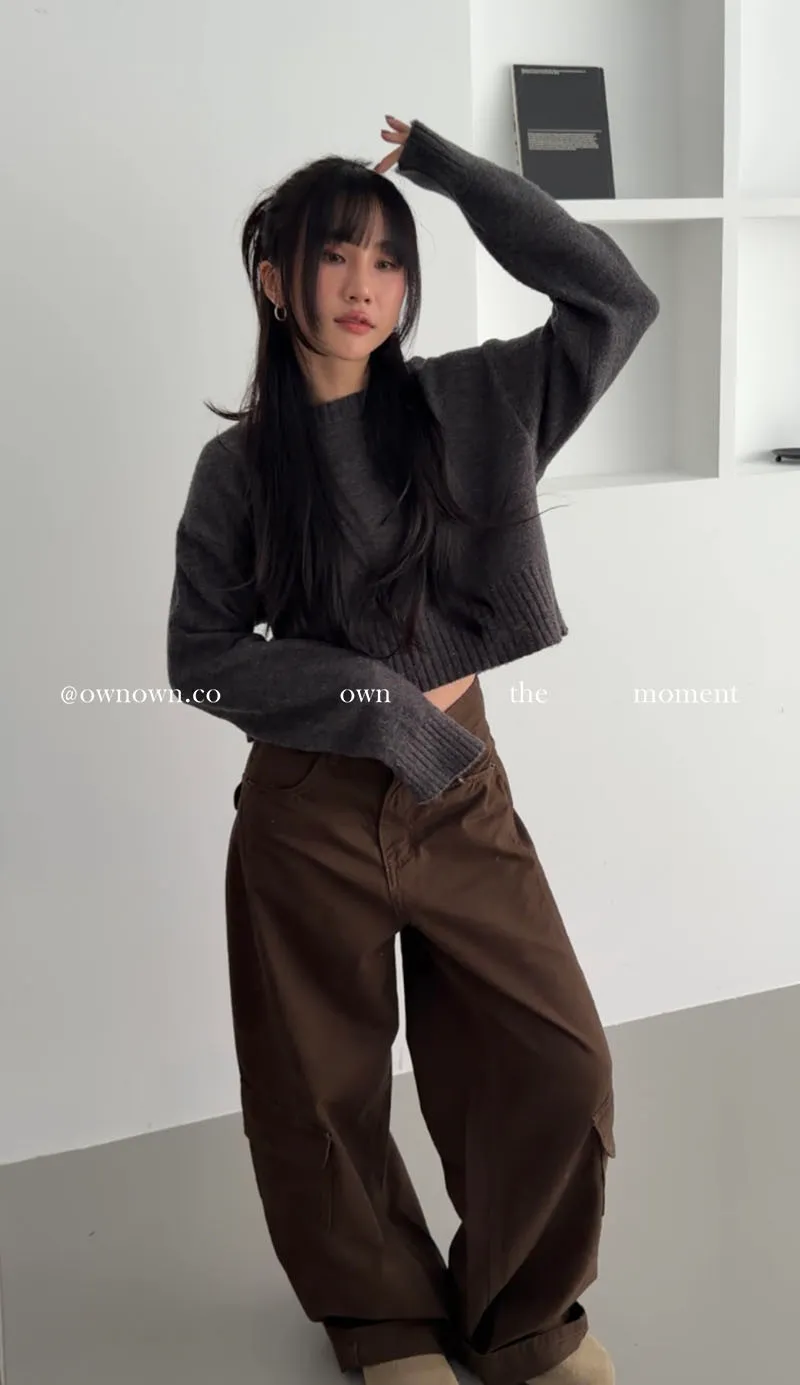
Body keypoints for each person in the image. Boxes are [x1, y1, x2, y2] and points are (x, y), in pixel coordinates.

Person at [167, 114, 659, 1385]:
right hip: (309, 805)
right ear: (273, 277)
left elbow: (614, 297)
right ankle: (381, 1319)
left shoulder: (471, 405)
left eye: (388, 259)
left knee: (554, 1056)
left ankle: (523, 1317)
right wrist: (369, 700)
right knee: (318, 1087)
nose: (363, 283)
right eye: (334, 254)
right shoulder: (237, 469)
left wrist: (446, 172)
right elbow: (199, 653)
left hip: (459, 788)